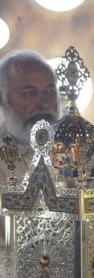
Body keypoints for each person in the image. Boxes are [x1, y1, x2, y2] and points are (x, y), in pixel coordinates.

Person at [0, 49, 61, 182]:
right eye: (30, 93)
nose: (44, 103)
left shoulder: (78, 148)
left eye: (50, 90)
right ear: (2, 99)